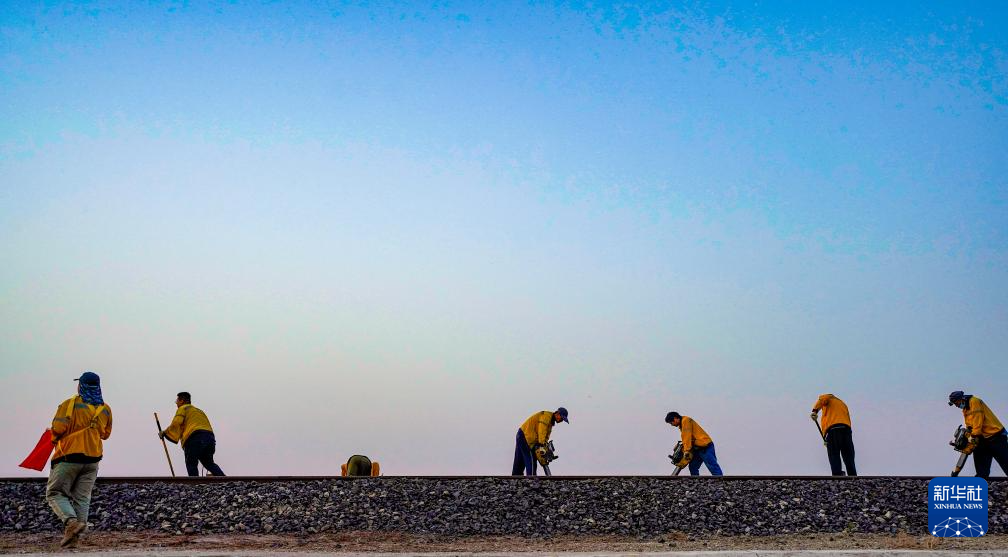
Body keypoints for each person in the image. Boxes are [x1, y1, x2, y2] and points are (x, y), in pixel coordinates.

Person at [46, 371, 113, 548]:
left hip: (69, 456)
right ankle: (73, 541)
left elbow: (58, 428)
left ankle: (71, 522)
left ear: (80, 385)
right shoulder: (105, 408)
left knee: (55, 493)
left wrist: (53, 435)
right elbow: (105, 434)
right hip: (93, 459)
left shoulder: (70, 404)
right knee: (82, 498)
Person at [159, 392, 225, 477]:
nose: (176, 403)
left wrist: (164, 433)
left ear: (182, 401)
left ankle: (195, 485)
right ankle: (224, 480)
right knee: (209, 463)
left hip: (194, 438)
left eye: (177, 400)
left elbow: (176, 422)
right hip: (209, 438)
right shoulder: (199, 411)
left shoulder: (183, 408)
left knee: (191, 463)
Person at [949, 391, 1008, 479]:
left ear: (961, 399)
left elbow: (977, 424)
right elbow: (970, 427)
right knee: (981, 472)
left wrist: (971, 439)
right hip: (982, 439)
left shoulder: (974, 402)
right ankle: (980, 487)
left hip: (996, 437)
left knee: (1006, 463)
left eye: (956, 403)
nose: (956, 406)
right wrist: (964, 441)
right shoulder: (965, 409)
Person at [512, 407, 568, 475]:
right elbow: (542, 430)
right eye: (561, 418)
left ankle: (516, 478)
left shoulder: (550, 422)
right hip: (527, 437)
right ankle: (531, 479)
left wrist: (544, 445)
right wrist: (541, 445)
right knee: (531, 460)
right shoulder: (546, 416)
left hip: (522, 434)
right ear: (557, 414)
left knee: (519, 460)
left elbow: (545, 436)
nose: (561, 420)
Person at [811, 393, 857, 476]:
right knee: (848, 455)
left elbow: (823, 398)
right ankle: (853, 476)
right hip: (846, 430)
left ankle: (837, 475)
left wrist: (815, 411)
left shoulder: (829, 398)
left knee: (833, 453)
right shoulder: (843, 404)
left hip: (833, 429)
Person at [665, 411, 723, 476]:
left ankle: (720, 481)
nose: (672, 425)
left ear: (675, 418)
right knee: (693, 467)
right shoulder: (682, 424)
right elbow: (687, 438)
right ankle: (696, 482)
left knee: (712, 465)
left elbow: (687, 436)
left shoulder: (685, 421)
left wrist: (686, 451)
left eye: (671, 422)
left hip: (705, 446)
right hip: (697, 448)